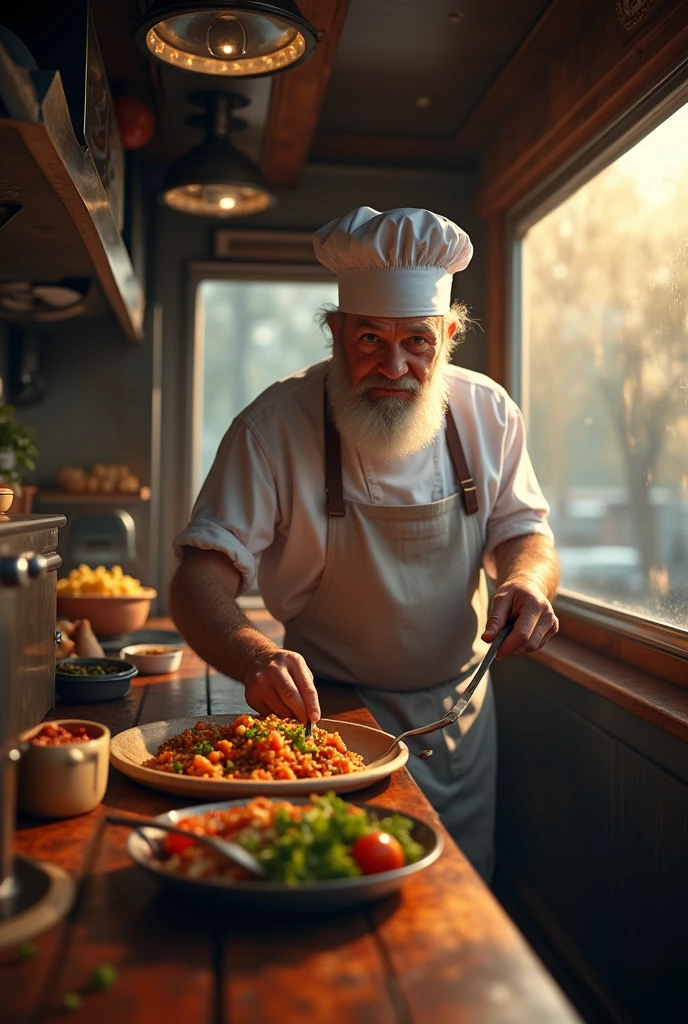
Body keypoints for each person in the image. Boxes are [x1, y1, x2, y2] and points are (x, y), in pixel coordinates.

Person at [170, 206, 559, 881]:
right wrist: (255, 655)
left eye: (417, 342)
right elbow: (198, 577)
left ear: (449, 334)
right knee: (331, 885)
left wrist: (526, 580)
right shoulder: (273, 425)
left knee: (461, 907)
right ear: (335, 332)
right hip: (327, 714)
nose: (395, 365)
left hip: (455, 717)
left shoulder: (488, 414)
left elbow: (525, 531)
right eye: (370, 339)